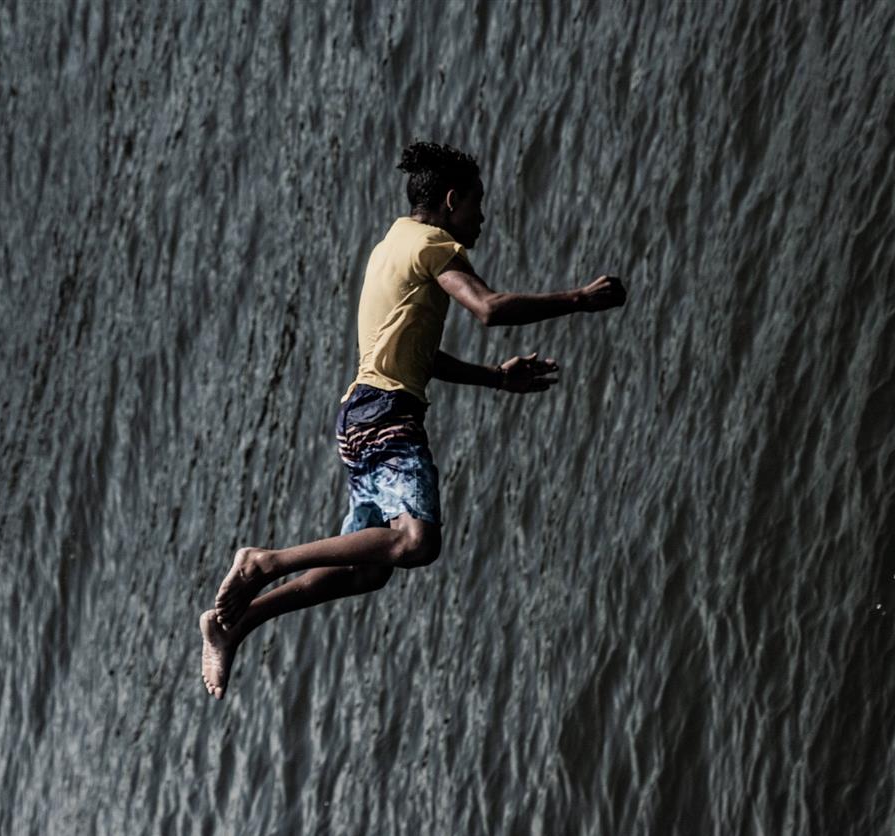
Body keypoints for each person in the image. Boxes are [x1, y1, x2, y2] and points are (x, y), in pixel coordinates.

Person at [200, 141, 626, 699]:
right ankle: (263, 563)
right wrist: (577, 300)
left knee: (369, 567)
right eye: (477, 204)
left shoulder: (390, 246)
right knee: (418, 542)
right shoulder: (434, 244)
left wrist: (496, 378)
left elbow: (418, 356)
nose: (482, 218)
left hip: (359, 416)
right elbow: (488, 308)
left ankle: (238, 621)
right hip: (386, 414)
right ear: (451, 201)